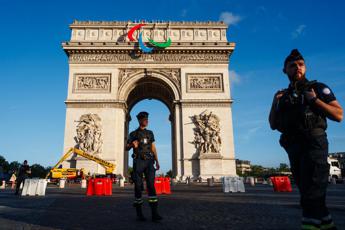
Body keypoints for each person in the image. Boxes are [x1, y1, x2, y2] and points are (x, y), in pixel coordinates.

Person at [269, 49, 343, 230]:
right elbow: (272, 124)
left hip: (314, 143)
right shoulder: (283, 96)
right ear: (285, 70)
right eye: (292, 65)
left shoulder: (317, 88)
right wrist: (274, 102)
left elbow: (339, 114)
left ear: (305, 67)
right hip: (293, 146)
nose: (297, 68)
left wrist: (315, 100)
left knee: (311, 196)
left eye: (300, 64)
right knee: (309, 196)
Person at [126, 111, 163, 222]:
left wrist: (157, 160)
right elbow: (126, 147)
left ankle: (154, 213)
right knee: (138, 187)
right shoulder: (133, 134)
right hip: (138, 161)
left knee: (151, 186)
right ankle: (139, 214)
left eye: (147, 119)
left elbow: (153, 148)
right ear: (140, 121)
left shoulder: (150, 133)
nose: (147, 121)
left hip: (149, 161)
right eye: (145, 120)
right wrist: (132, 145)